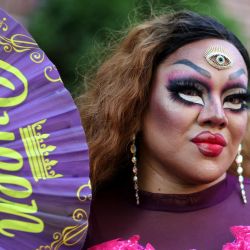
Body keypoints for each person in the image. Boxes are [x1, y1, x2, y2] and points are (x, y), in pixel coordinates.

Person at [79, 10, 250, 249]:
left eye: (235, 98)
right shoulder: (73, 224)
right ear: (135, 104)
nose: (218, 116)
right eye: (190, 91)